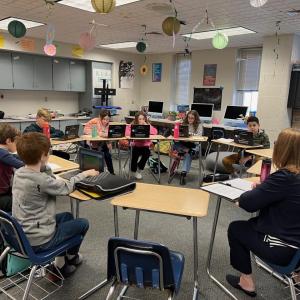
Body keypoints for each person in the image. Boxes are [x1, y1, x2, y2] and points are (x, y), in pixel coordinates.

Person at [12, 132, 99, 277]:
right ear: (42, 156)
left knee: (67, 216)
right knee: (83, 223)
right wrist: (85, 174)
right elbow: (67, 187)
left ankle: (62, 261)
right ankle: (69, 258)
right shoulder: (41, 180)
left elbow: (48, 178)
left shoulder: (20, 172)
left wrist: (44, 166)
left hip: (23, 233)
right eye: (48, 153)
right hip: (40, 240)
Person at [226, 128, 300, 297]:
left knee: (236, 229)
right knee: (252, 224)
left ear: (283, 149)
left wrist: (256, 193)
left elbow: (247, 203)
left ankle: (246, 282)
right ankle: (297, 276)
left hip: (283, 249)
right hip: (296, 243)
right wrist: (266, 190)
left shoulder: (285, 177)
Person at [172, 110, 202, 185]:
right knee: (175, 144)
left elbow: (199, 137)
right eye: (189, 118)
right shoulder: (184, 123)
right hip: (184, 145)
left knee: (188, 154)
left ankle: (183, 173)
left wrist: (189, 135)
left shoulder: (199, 125)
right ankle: (188, 151)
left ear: (196, 119)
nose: (190, 120)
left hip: (193, 144)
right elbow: (177, 129)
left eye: (192, 118)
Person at [125, 111, 157, 179]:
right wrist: (133, 132)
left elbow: (155, 132)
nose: (142, 120)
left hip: (144, 146)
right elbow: (126, 132)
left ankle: (139, 169)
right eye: (140, 119)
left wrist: (146, 125)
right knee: (134, 154)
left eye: (143, 119)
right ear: (136, 119)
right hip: (135, 145)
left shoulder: (147, 125)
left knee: (147, 153)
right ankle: (132, 170)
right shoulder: (133, 125)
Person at [0, 124, 24, 212]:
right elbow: (22, 165)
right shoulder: (3, 154)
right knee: (26, 202)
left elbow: (15, 157)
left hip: (5, 192)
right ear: (9, 141)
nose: (17, 145)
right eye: (16, 142)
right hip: (1, 197)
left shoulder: (3, 153)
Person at [83, 109, 114, 174]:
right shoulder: (94, 121)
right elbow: (85, 130)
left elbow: (110, 134)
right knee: (97, 157)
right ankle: (97, 173)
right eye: (104, 119)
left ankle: (112, 173)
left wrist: (109, 139)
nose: (106, 121)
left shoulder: (109, 124)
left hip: (103, 143)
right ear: (100, 117)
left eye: (107, 119)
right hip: (93, 144)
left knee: (108, 156)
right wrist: (99, 133)